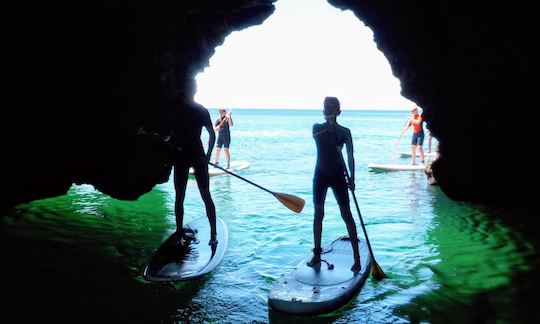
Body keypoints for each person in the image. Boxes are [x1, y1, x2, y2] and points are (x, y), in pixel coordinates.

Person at [307, 97, 361, 273]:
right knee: (318, 214)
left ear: (339, 112)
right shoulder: (317, 128)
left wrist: (352, 177)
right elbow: (317, 138)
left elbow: (350, 155)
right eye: (326, 108)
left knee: (346, 214)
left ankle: (357, 258)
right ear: (323, 111)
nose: (329, 111)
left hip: (339, 176)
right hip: (321, 176)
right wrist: (330, 127)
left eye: (332, 108)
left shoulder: (345, 132)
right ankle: (316, 254)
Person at [169, 101, 218, 246]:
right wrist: (208, 155)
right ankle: (210, 234)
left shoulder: (179, 107)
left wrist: (207, 156)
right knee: (197, 195)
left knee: (187, 196)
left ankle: (212, 233)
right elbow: (212, 135)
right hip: (191, 156)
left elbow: (211, 134)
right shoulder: (199, 109)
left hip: (189, 156)